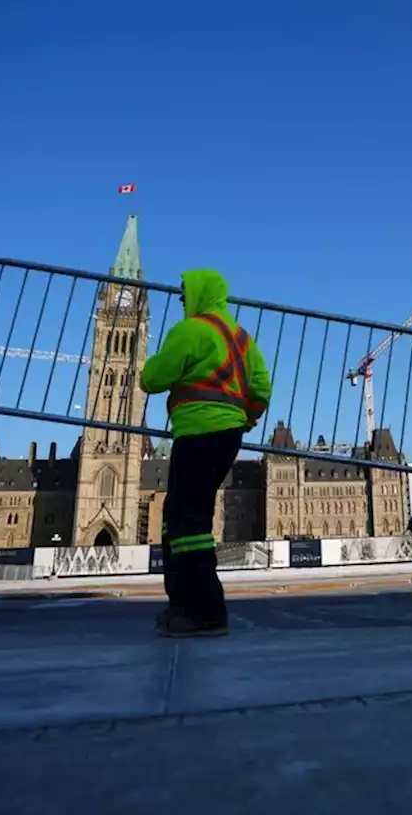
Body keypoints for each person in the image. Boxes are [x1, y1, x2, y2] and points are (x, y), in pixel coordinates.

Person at [140, 269, 272, 638]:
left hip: (198, 430)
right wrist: (246, 419)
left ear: (199, 294)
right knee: (180, 516)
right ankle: (183, 604)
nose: (182, 299)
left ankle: (204, 610)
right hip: (229, 434)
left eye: (185, 293)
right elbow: (261, 386)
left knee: (187, 523)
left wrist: (147, 372)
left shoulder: (190, 331)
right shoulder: (243, 338)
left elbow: (153, 379)